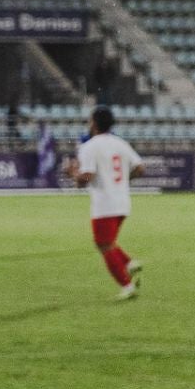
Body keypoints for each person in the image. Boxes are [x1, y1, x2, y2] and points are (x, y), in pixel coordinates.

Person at [66, 107, 145, 300]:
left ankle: (127, 285)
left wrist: (72, 174)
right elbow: (140, 168)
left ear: (93, 123)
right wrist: (124, 180)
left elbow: (87, 176)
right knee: (107, 242)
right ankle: (128, 263)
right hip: (122, 202)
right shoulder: (120, 143)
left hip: (104, 204)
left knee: (103, 244)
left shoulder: (89, 146)